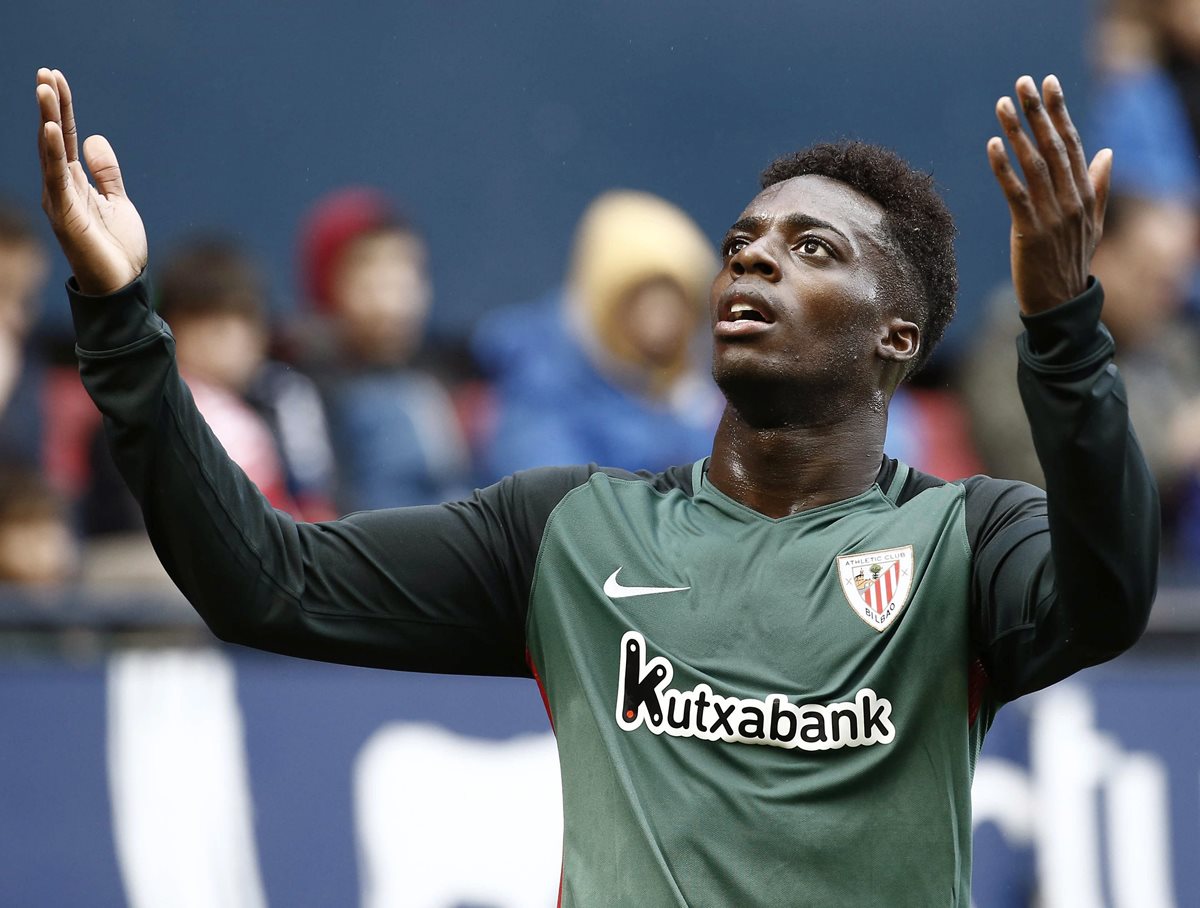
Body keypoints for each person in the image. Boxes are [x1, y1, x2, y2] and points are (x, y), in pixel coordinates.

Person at [34, 67, 1158, 905]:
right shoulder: (570, 529)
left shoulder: (963, 536)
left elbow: (1108, 593)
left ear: (896, 335)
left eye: (814, 248)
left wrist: (1063, 326)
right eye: (742, 241)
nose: (755, 259)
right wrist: (123, 319)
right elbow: (264, 582)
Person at [473, 189, 722, 479]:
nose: (664, 323)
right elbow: (553, 498)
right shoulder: (541, 380)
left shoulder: (688, 395)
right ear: (608, 299)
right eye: (647, 301)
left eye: (678, 303)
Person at [295, 187, 471, 510]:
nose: (391, 301)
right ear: (328, 286)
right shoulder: (301, 389)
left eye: (405, 274)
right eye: (369, 278)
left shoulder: (459, 371)